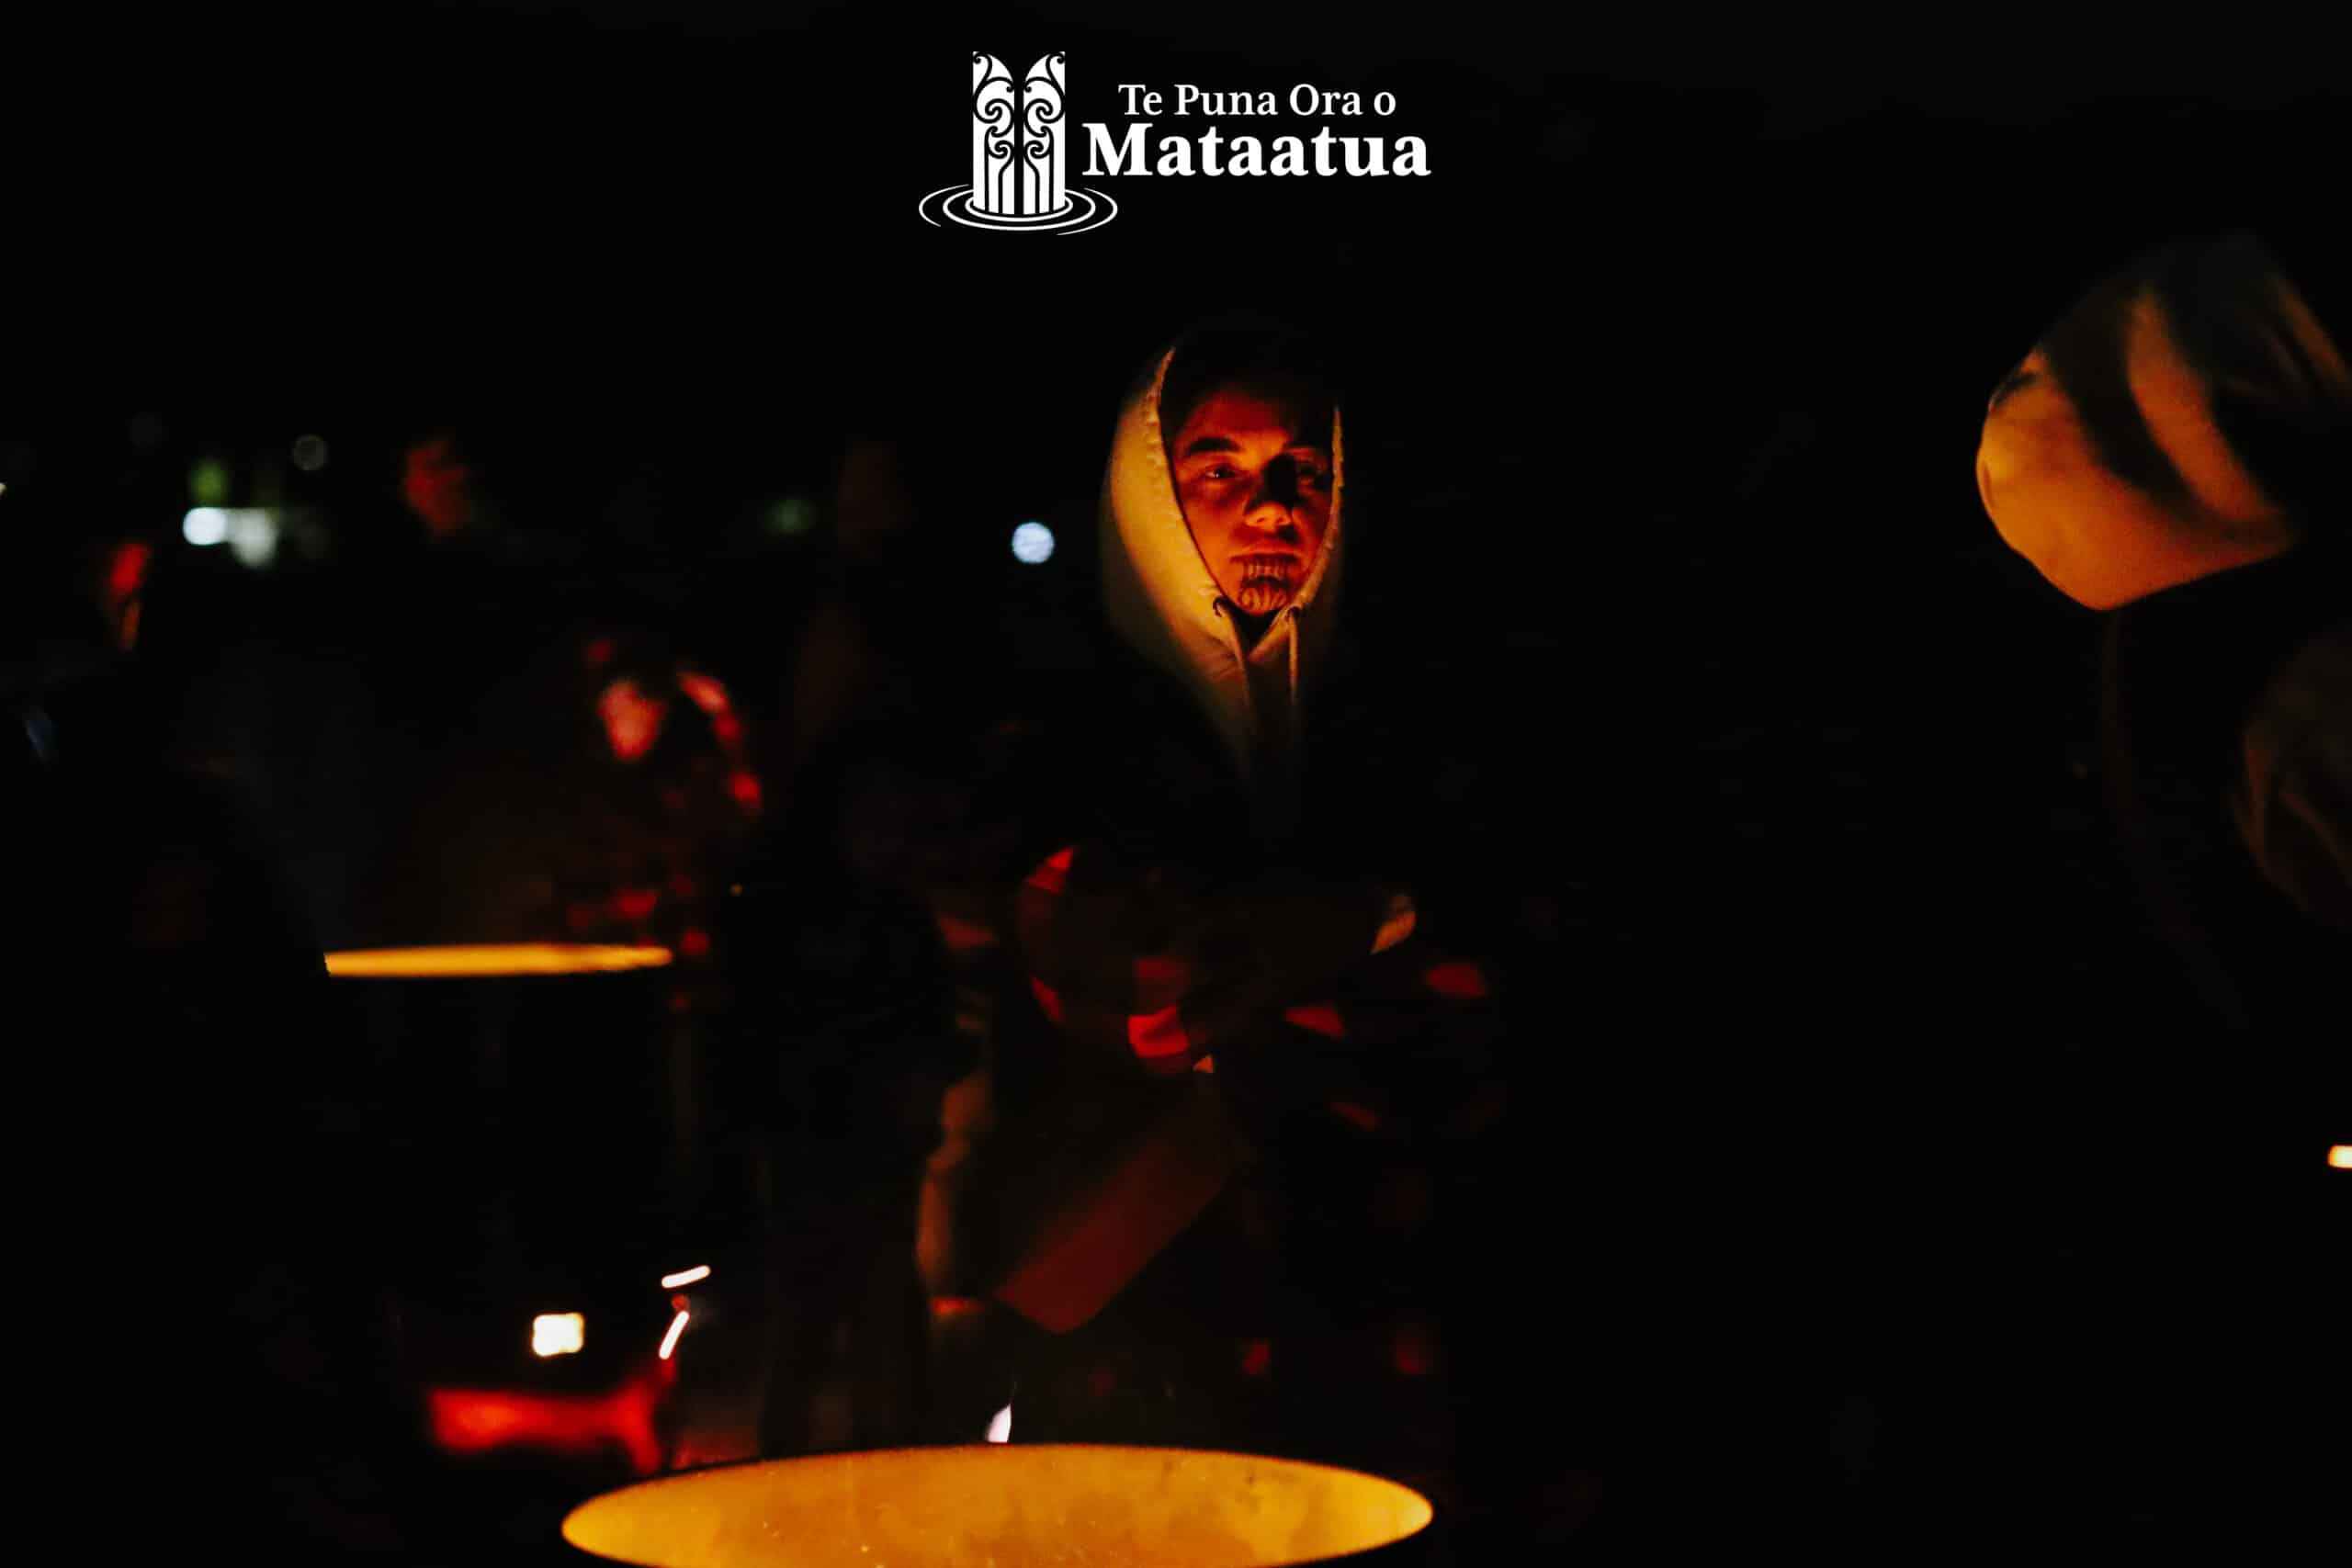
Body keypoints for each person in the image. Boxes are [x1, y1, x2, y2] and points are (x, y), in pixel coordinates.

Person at [916, 319, 1526, 1523]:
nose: (1271, 507)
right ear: (1150, 491)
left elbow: (1515, 932)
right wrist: (1366, 949)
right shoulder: (1045, 718)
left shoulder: (1392, 720)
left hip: (1360, 1294)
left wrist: (1365, 922)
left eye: (1305, 470)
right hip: (1129, 1296)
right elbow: (1146, 981)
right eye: (1220, 470)